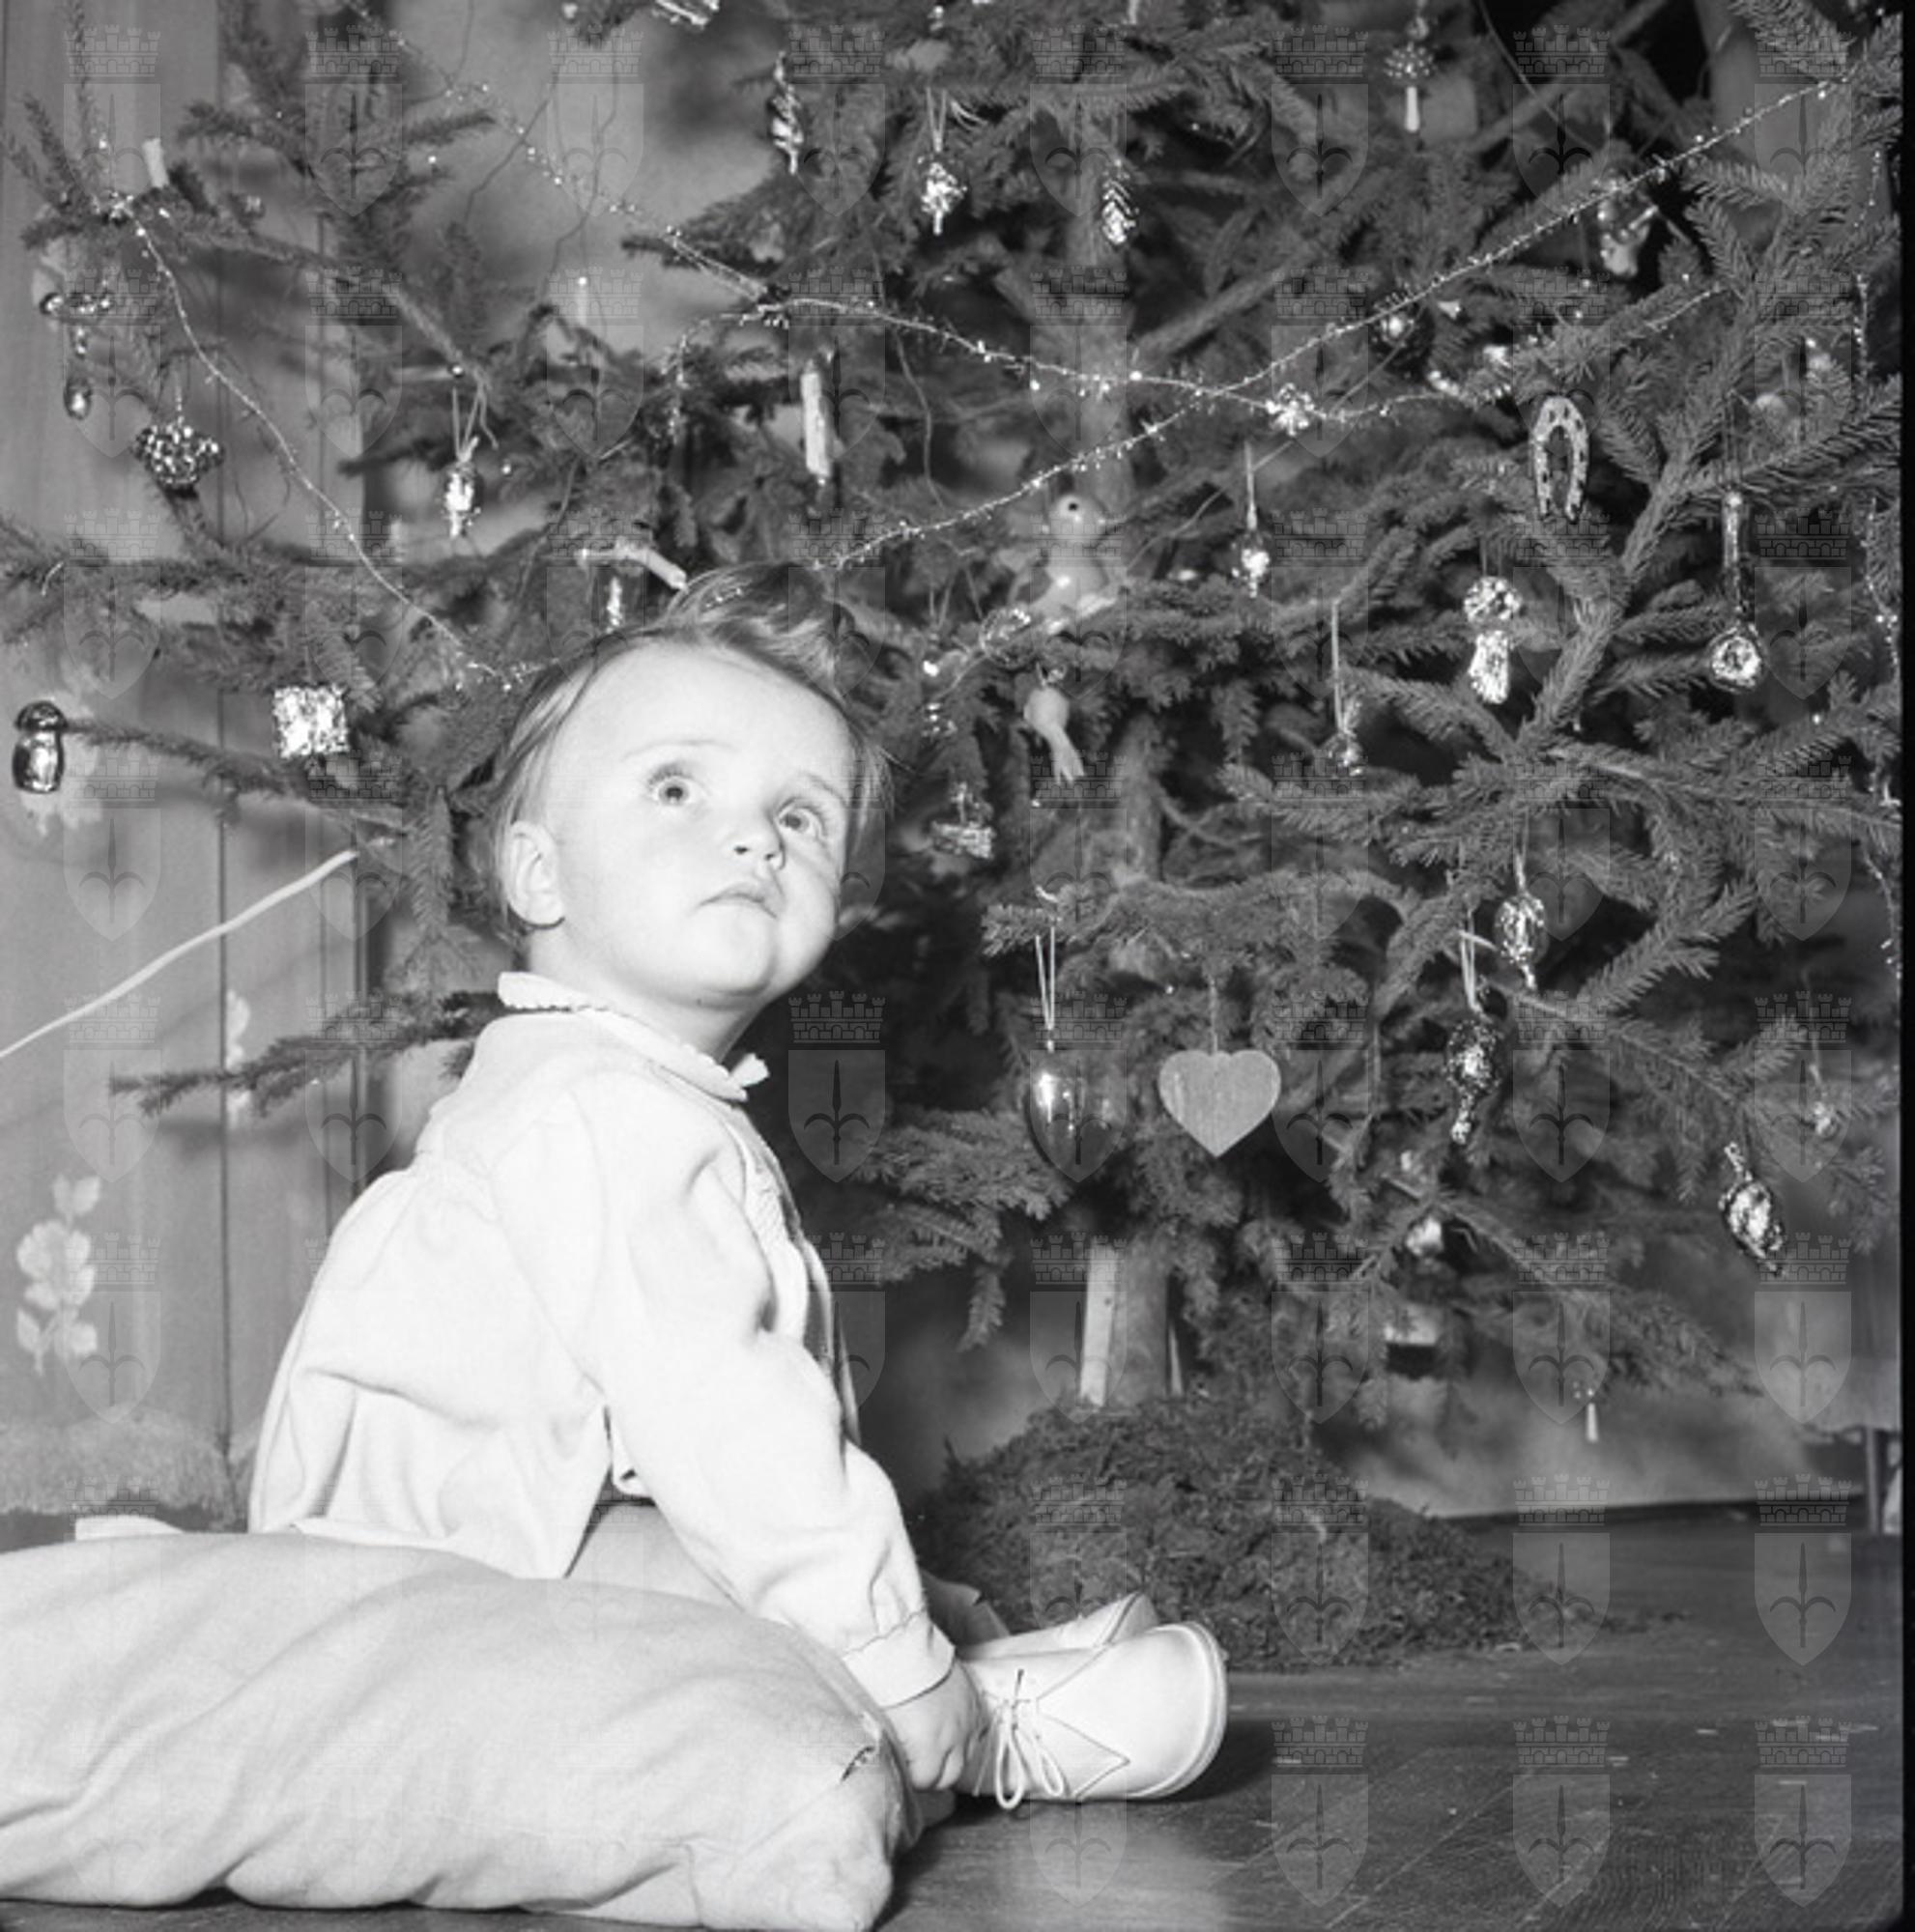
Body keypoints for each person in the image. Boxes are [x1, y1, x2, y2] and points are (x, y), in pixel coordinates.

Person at [249, 564, 1227, 1809]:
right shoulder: (595, 1111)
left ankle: (941, 1652)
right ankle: (977, 1727)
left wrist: (886, 1603)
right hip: (429, 1614)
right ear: (539, 876)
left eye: (802, 818)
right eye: (676, 788)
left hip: (480, 1568)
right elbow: (724, 1420)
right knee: (767, 1591)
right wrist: (887, 1651)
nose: (758, 839)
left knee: (790, 1564)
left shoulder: (614, 1089)